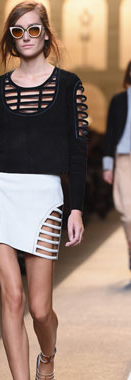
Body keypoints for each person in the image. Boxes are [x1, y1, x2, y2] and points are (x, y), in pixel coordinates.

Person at [0, 2, 87, 380]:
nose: (26, 38)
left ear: (46, 34)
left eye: (33, 29)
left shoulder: (70, 86)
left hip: (45, 196)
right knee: (12, 298)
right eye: (17, 32)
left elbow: (78, 149)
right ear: (10, 38)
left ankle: (47, 359)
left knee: (40, 309)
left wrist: (76, 206)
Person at [102, 61, 131, 269]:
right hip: (124, 160)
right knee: (127, 210)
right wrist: (107, 166)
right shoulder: (118, 100)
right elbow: (110, 133)